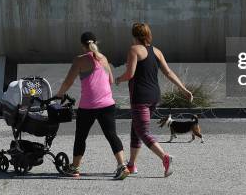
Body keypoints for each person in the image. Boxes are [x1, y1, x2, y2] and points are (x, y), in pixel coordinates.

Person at [115, 22, 193, 177]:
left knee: (143, 131)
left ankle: (165, 157)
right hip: (154, 96)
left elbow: (130, 74)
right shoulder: (157, 51)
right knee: (136, 129)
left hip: (140, 97)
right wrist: (184, 89)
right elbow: (169, 72)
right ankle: (131, 165)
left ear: (134, 36)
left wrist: (118, 79)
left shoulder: (134, 50)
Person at [55, 32, 129, 180]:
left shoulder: (79, 60)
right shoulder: (104, 58)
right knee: (111, 135)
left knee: (81, 137)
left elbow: (68, 81)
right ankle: (122, 166)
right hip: (108, 104)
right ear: (96, 42)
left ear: (82, 45)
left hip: (88, 106)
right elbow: (111, 80)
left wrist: (60, 94)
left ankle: (75, 168)